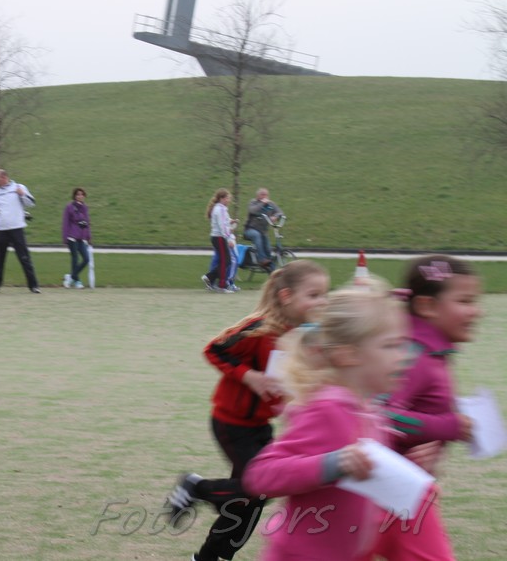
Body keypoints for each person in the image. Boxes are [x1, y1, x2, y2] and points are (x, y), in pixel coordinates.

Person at [168, 260, 330, 561]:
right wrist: (248, 376)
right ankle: (196, 487)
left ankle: (210, 557)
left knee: (254, 498)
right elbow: (214, 349)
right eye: (314, 295)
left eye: (324, 295)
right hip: (232, 423)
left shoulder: (304, 334)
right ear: (286, 296)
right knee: (257, 488)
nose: (321, 302)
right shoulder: (259, 328)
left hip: (260, 426)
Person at [242, 284, 411, 561]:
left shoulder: (369, 411)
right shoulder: (328, 409)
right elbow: (261, 475)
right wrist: (332, 464)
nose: (403, 356)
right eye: (390, 346)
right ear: (348, 355)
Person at [371, 255, 481, 561]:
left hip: (402, 492)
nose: (476, 311)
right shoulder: (414, 354)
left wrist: (431, 438)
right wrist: (448, 426)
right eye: (465, 301)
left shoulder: (430, 351)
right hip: (388, 493)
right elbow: (377, 417)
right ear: (426, 306)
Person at [0, 169, 40, 293]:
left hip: (16, 229)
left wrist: (22, 194)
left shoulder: (19, 187)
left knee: (24, 258)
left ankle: (34, 286)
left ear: (4, 177)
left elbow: (31, 203)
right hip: (1, 230)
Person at [202, 188, 237, 293]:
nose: (229, 200)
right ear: (222, 198)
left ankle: (210, 277)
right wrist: (229, 238)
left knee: (224, 261)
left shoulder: (219, 208)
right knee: (226, 261)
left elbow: (224, 221)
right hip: (220, 238)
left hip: (217, 237)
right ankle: (221, 285)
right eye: (227, 198)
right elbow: (222, 226)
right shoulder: (220, 209)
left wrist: (231, 221)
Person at [243, 188, 283, 271]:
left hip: (263, 231)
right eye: (262, 194)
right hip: (250, 230)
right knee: (256, 235)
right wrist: (262, 203)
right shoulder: (253, 202)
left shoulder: (271, 204)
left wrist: (275, 216)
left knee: (268, 249)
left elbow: (280, 212)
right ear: (257, 196)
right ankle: (261, 259)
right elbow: (252, 210)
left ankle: (272, 271)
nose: (264, 196)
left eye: (266, 195)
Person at [61, 187, 92, 289]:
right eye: (78, 194)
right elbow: (65, 223)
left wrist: (88, 237)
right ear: (74, 196)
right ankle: (77, 281)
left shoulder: (85, 208)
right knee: (75, 259)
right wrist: (65, 237)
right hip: (72, 237)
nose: (80, 196)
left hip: (81, 237)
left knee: (86, 259)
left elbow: (87, 223)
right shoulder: (69, 207)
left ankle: (71, 277)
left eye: (82, 194)